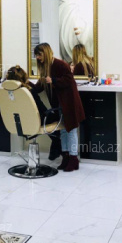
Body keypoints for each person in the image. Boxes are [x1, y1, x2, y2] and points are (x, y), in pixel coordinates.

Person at [33, 43, 85, 172]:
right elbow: (39, 87)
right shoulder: (45, 68)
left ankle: (74, 159)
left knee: (71, 130)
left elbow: (69, 80)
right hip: (59, 104)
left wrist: (54, 81)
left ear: (46, 52)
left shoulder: (60, 64)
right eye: (36, 55)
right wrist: (25, 84)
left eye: (39, 54)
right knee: (63, 131)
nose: (37, 57)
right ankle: (65, 157)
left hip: (69, 102)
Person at [5, 65, 62, 160]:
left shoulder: (7, 90)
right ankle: (59, 149)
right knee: (58, 118)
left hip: (18, 122)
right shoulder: (28, 90)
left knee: (50, 118)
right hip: (36, 120)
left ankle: (56, 149)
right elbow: (41, 108)